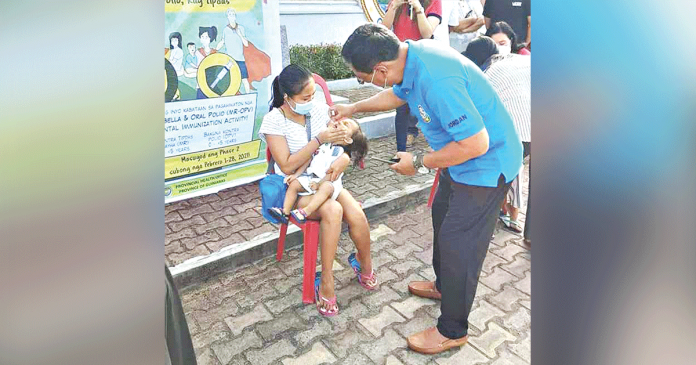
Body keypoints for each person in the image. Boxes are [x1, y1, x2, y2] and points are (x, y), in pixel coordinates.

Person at [332, 23, 522, 354]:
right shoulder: (409, 57)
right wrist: (354, 108)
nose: (367, 84)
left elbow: (477, 143)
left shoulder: (437, 79)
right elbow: (397, 93)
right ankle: (443, 285)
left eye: (365, 79)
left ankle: (453, 330)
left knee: (458, 244)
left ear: (381, 69)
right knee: (440, 215)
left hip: (486, 165)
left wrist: (419, 162)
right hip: (458, 160)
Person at [258, 64, 377, 316]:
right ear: (288, 98)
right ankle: (326, 281)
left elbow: (349, 123)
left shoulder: (318, 109)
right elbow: (287, 165)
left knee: (356, 214)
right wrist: (320, 139)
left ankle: (363, 264)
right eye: (305, 97)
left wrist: (349, 129)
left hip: (323, 179)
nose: (311, 101)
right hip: (293, 186)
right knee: (333, 210)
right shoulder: (274, 121)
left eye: (313, 94)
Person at [464, 36, 530, 236]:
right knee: (513, 171)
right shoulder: (521, 59)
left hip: (518, 131)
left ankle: (485, 227)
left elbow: (474, 117)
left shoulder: (486, 74)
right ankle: (521, 226)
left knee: (491, 179)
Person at [269, 119, 368, 224]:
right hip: (312, 179)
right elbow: (308, 159)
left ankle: (306, 211)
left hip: (326, 183)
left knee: (327, 187)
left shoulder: (338, 153)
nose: (339, 122)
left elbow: (331, 175)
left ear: (347, 140)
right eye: (341, 121)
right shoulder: (323, 145)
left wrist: (319, 184)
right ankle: (285, 212)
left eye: (345, 125)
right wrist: (296, 175)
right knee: (294, 184)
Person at [382, 0, 443, 152]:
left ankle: (437, 144)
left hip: (422, 60)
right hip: (400, 60)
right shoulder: (397, 3)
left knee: (427, 103)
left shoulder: (433, 2)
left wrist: (418, 8)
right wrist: (395, 5)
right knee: (401, 107)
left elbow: (427, 33)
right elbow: (383, 28)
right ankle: (400, 151)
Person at [216, 8, 251, 92]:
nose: (231, 16)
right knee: (229, 80)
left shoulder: (241, 28)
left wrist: (240, 34)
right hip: (230, 60)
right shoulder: (225, 30)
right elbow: (222, 41)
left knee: (244, 80)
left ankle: (248, 96)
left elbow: (246, 44)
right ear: (227, 17)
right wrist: (215, 49)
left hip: (240, 59)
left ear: (235, 17)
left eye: (233, 14)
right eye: (229, 15)